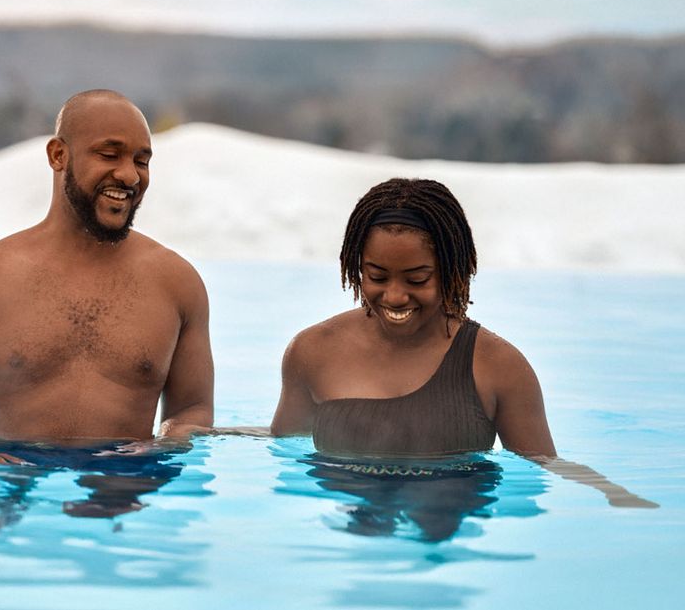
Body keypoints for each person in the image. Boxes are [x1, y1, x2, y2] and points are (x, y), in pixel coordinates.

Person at [272, 178, 655, 507]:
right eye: (377, 276)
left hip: (450, 518)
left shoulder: (498, 367)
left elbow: (542, 465)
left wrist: (609, 491)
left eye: (417, 279)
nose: (394, 296)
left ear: (453, 270)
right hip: (350, 517)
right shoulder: (313, 352)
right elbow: (284, 450)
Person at [0, 89, 214, 464]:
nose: (128, 175)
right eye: (109, 155)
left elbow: (192, 409)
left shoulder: (177, 284)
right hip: (13, 470)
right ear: (58, 155)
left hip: (125, 477)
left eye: (141, 161)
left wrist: (162, 449)